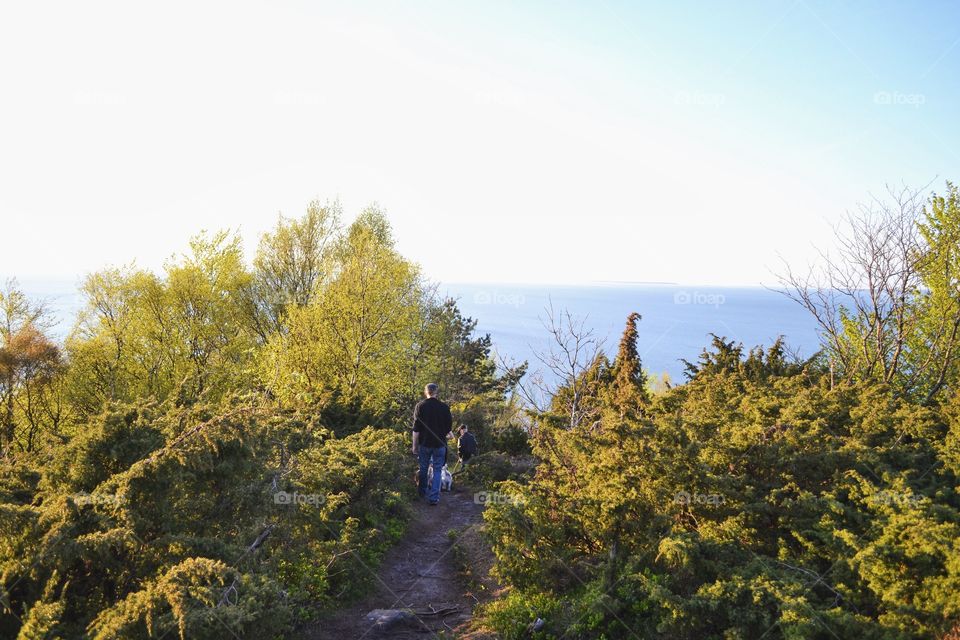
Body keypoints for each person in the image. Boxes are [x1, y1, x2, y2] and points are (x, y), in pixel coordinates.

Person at [411, 383, 452, 505]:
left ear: (426, 392)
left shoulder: (420, 406)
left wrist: (414, 446)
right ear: (436, 392)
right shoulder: (444, 408)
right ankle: (434, 498)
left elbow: (416, 430)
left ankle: (422, 493)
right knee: (438, 470)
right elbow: (448, 429)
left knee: (423, 469)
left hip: (424, 444)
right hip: (440, 445)